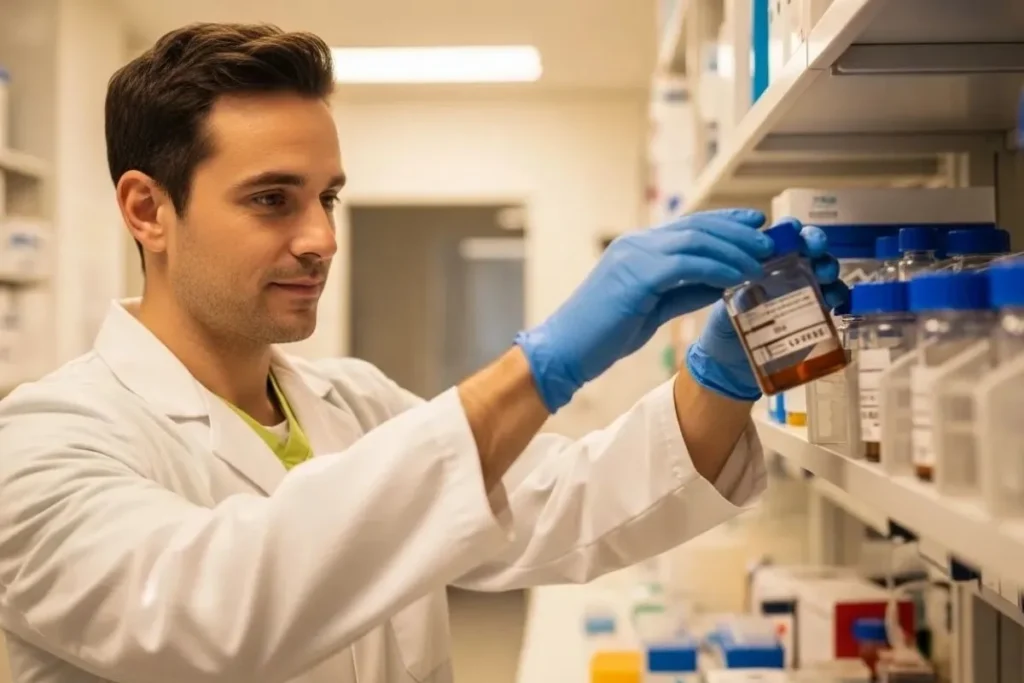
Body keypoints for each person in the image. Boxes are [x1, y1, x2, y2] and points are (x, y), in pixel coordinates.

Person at [0, 23, 846, 683]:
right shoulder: (41, 444)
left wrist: (726, 373)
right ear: (147, 209)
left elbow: (574, 502)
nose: (321, 238)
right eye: (271, 200)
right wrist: (543, 364)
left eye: (327, 197)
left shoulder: (351, 401)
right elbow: (216, 610)